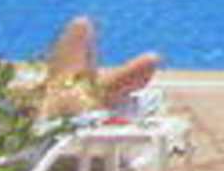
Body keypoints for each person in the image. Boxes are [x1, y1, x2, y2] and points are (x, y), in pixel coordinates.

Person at [28, 16, 161, 119]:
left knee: (81, 26)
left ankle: (86, 82)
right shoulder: (91, 96)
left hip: (64, 93)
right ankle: (89, 82)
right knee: (81, 26)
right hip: (86, 98)